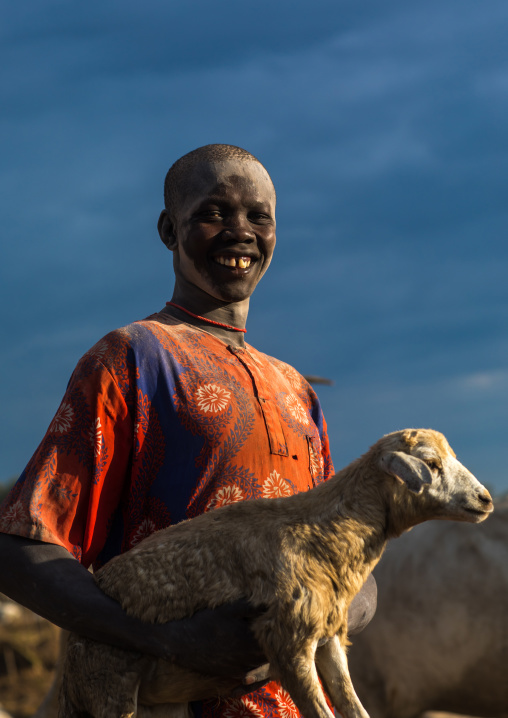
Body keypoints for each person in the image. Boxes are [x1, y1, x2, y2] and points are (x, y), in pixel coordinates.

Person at [0, 144, 376, 718]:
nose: (240, 231)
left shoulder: (296, 390)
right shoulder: (132, 359)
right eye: (214, 212)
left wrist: (321, 610)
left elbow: (348, 561)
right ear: (168, 229)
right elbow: (21, 548)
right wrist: (172, 638)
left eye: (259, 216)